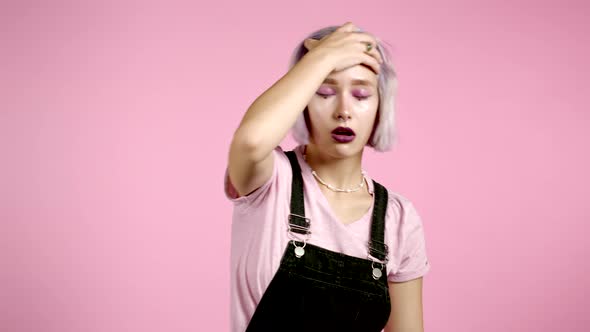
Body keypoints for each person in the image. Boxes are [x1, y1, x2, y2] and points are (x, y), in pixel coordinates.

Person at [224, 22, 431, 332]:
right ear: (302, 101)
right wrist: (321, 59)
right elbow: (251, 141)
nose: (343, 110)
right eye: (324, 92)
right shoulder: (269, 181)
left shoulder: (398, 218)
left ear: (380, 107)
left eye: (361, 94)